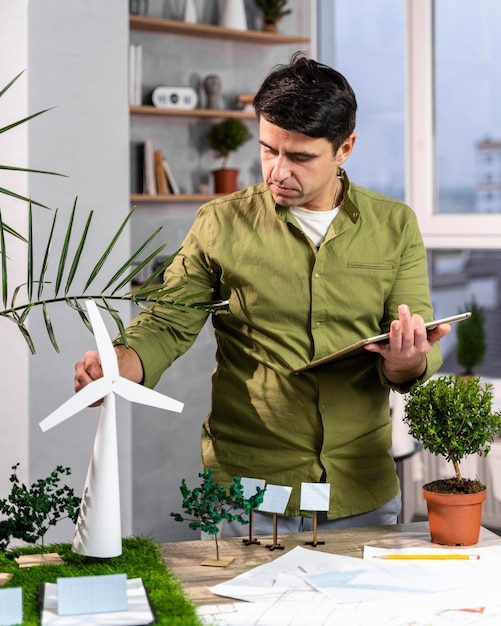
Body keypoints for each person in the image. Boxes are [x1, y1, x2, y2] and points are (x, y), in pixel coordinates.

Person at [75, 52, 450, 535]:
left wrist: (405, 360)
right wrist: (117, 366)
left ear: (345, 148)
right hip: (246, 489)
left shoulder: (395, 226)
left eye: (299, 157)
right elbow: (167, 324)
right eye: (268, 150)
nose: (277, 171)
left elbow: (413, 343)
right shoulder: (220, 223)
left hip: (358, 485)